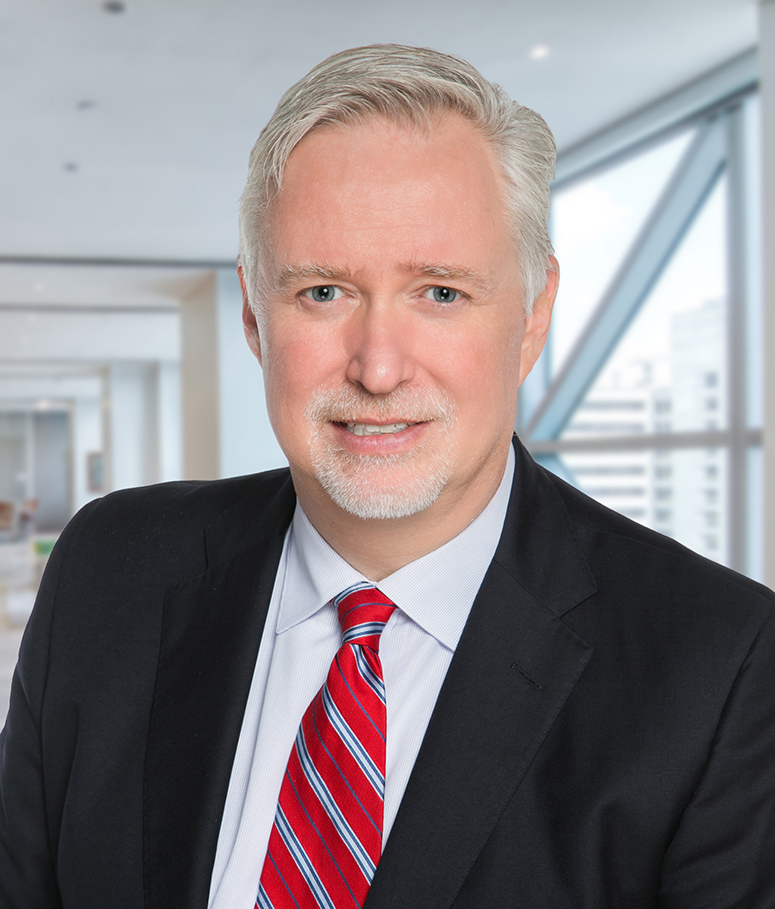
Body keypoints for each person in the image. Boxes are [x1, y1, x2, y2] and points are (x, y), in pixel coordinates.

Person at [1, 44, 774, 909]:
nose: (376, 368)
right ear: (254, 313)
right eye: (323, 292)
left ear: (532, 315)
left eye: (440, 293)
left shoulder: (717, 665)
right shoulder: (111, 569)